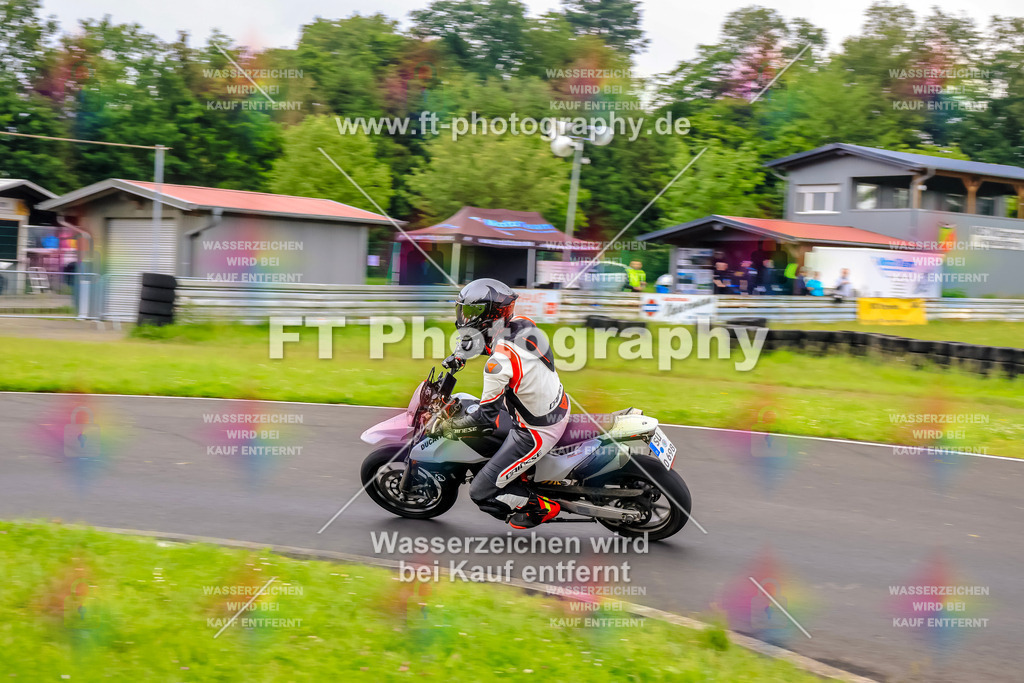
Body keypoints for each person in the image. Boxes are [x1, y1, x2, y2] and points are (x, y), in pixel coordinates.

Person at [433, 278, 571, 529]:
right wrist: (461, 355)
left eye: (470, 311)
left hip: (536, 431)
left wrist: (447, 429)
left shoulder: (497, 364)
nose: (463, 316)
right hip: (555, 406)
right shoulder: (523, 325)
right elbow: (493, 342)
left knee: (480, 492)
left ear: (486, 315)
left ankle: (542, 507)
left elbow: (484, 418)